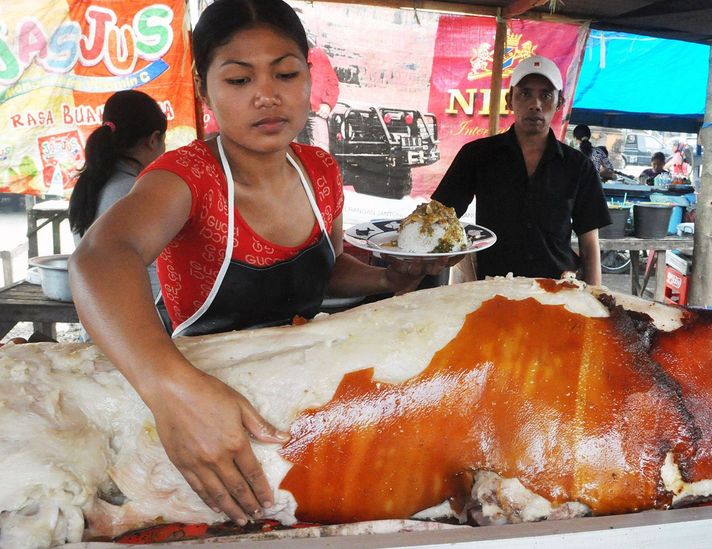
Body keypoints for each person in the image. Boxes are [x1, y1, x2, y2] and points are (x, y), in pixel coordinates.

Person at [69, 0, 449, 527]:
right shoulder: (186, 176)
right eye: (239, 79)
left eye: (286, 73)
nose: (266, 95)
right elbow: (99, 257)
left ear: (308, 77)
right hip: (205, 407)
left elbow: (327, 268)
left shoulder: (319, 170)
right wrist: (169, 389)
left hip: (309, 397)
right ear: (205, 89)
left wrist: (387, 278)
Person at [432, 55, 611, 286]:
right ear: (510, 99)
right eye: (525, 93)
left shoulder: (578, 166)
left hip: (557, 291)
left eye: (546, 95)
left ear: (559, 103)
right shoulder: (476, 155)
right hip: (492, 289)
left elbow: (589, 242)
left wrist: (597, 300)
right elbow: (439, 217)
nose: (535, 104)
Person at [68, 90, 167, 298]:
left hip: (99, 317)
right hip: (138, 318)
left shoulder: (88, 184)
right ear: (154, 139)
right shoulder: (135, 191)